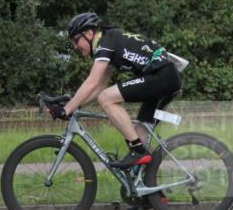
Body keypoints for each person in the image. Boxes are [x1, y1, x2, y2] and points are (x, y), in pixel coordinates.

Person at [48, 12, 184, 169]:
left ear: (89, 34)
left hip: (162, 76)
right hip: (161, 77)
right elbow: (98, 86)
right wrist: (75, 105)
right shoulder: (109, 41)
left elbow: (92, 83)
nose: (75, 46)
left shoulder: (105, 42)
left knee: (106, 99)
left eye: (76, 40)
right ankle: (149, 189)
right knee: (139, 133)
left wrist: (67, 109)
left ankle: (137, 150)